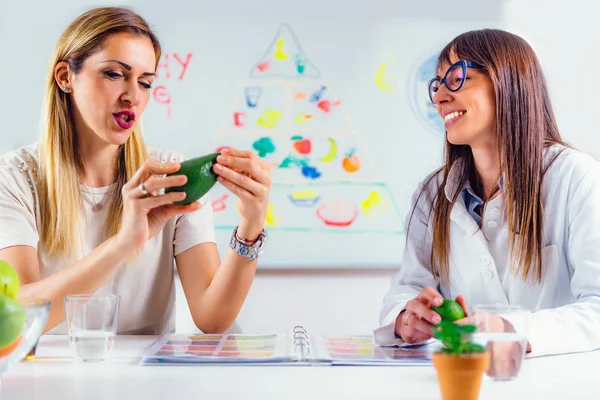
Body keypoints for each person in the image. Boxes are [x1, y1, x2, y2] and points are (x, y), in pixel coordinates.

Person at [0, 7, 271, 335]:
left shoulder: (171, 177)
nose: (132, 97)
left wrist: (252, 225)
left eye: (145, 83)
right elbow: (17, 316)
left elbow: (212, 318)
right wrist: (125, 242)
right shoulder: (15, 176)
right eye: (114, 74)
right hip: (47, 379)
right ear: (65, 77)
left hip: (146, 380)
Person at [375, 28, 600, 358]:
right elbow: (409, 286)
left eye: (456, 77)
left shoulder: (576, 178)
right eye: (436, 84)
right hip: (464, 382)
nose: (439, 97)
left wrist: (508, 330)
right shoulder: (432, 194)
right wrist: (406, 318)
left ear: (507, 80)